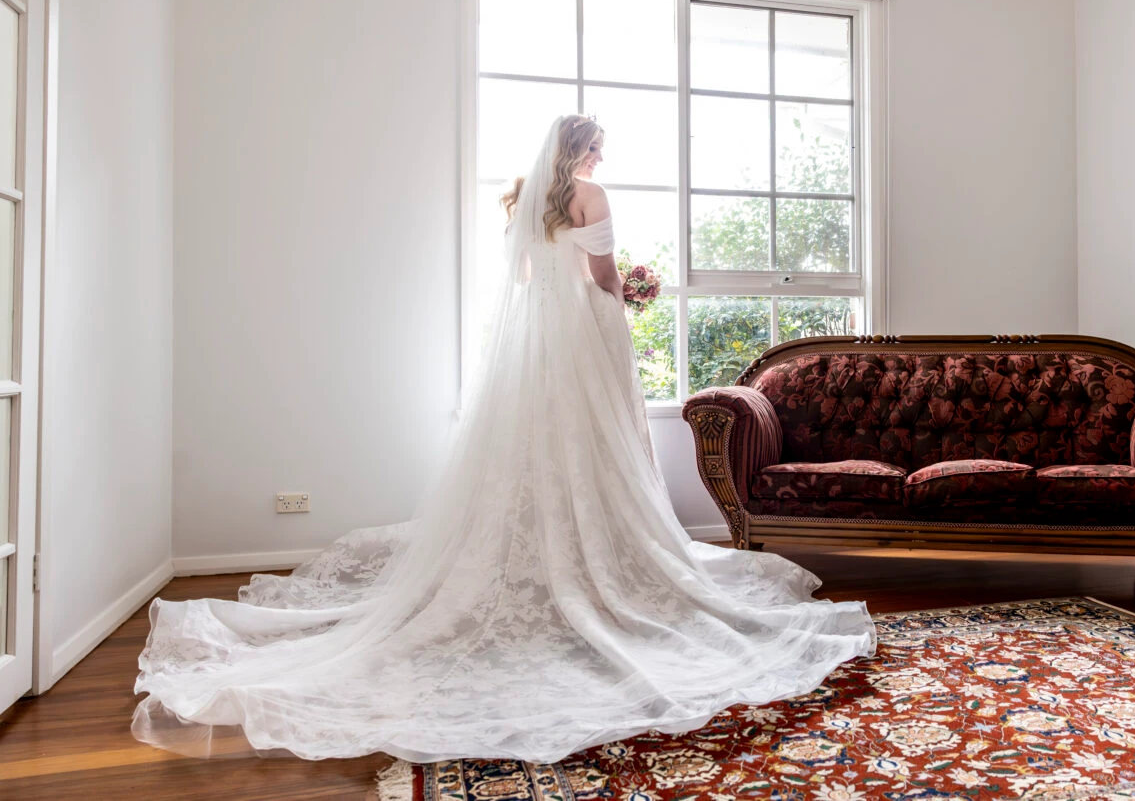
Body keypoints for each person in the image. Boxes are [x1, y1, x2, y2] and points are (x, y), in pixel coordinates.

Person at [132, 114, 876, 764]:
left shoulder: (524, 197)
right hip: (586, 332)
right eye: (599, 150)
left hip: (538, 343)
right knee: (594, 442)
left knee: (539, 447)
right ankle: (595, 560)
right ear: (582, 149)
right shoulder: (592, 196)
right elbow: (606, 276)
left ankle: (547, 550)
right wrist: (634, 294)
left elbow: (527, 275)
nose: (602, 164)